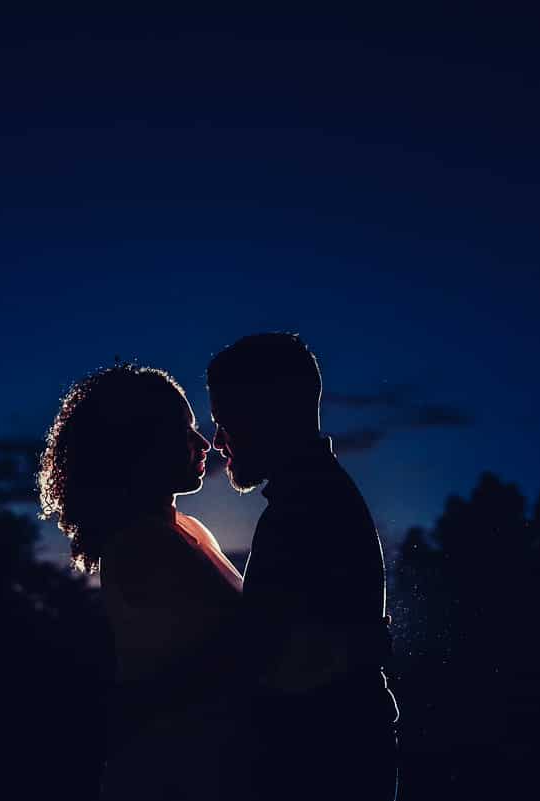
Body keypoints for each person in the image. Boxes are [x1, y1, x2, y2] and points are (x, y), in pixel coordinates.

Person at [37, 363, 248, 801]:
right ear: (138, 444)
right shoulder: (142, 542)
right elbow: (215, 661)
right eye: (183, 429)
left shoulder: (182, 529)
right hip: (178, 774)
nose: (203, 442)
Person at [207, 332, 400, 801]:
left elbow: (286, 666)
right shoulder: (315, 497)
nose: (216, 441)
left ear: (261, 415)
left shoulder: (308, 509)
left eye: (223, 420)